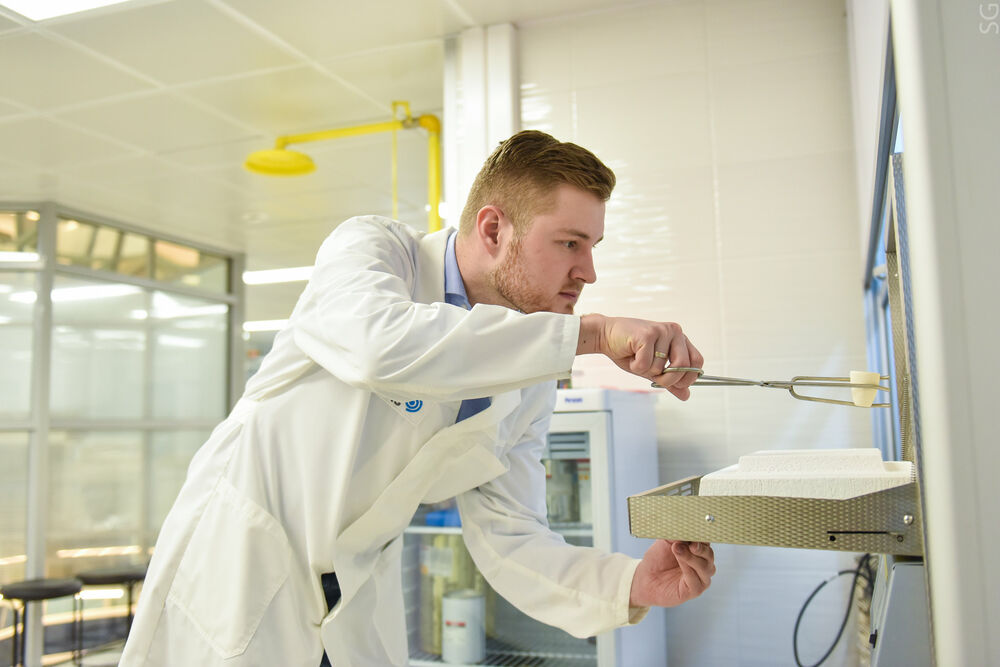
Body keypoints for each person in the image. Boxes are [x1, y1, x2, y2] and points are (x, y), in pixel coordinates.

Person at [120, 130, 715, 666]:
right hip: (241, 572)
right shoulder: (374, 252)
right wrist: (592, 335)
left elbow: (511, 535)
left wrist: (630, 584)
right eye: (569, 243)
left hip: (353, 602)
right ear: (493, 229)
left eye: (592, 246)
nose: (588, 272)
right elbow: (377, 346)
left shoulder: (529, 373)